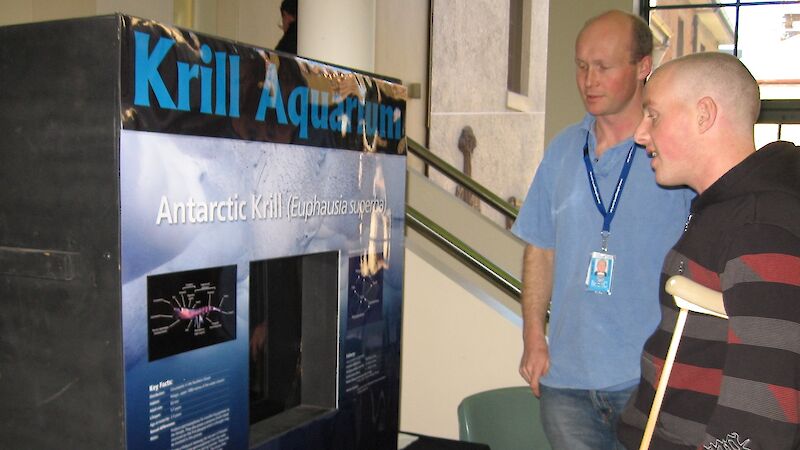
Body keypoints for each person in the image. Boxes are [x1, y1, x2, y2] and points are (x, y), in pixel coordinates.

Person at [511, 10, 693, 449]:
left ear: (642, 66)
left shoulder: (676, 154)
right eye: (581, 65)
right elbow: (541, 248)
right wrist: (534, 339)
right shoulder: (562, 151)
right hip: (567, 385)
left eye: (604, 67)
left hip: (650, 382)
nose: (588, 80)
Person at [617, 52, 800, 449]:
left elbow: (765, 405)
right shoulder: (724, 210)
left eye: (654, 115)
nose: (640, 133)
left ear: (704, 115)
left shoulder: (759, 223)